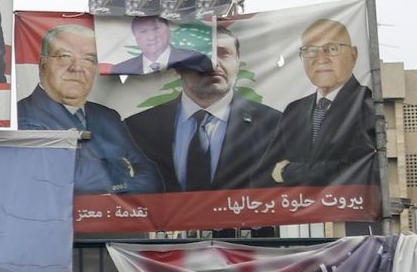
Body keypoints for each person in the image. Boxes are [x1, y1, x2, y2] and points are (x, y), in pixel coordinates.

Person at [122, 27, 282, 191]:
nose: (213, 64)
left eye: (223, 53)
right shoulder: (135, 128)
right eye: (201, 54)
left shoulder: (275, 126)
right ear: (177, 65)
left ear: (237, 61)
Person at [16, 24, 160, 195]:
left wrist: (99, 173)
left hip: (113, 219)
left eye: (88, 59)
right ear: (43, 64)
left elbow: (152, 179)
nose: (76, 68)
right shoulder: (23, 116)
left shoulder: (108, 117)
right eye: (64, 56)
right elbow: (73, 179)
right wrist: (125, 168)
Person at [273, 18, 377, 187]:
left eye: (332, 49)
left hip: (349, 208)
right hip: (296, 208)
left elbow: (356, 168)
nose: (321, 59)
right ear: (301, 57)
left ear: (353, 55)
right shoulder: (294, 110)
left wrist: (289, 172)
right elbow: (267, 170)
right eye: (311, 51)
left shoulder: (366, 103)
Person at [107, 15, 203, 75]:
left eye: (156, 28)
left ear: (169, 30)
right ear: (135, 38)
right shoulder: (121, 69)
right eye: (143, 31)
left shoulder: (195, 60)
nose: (151, 37)